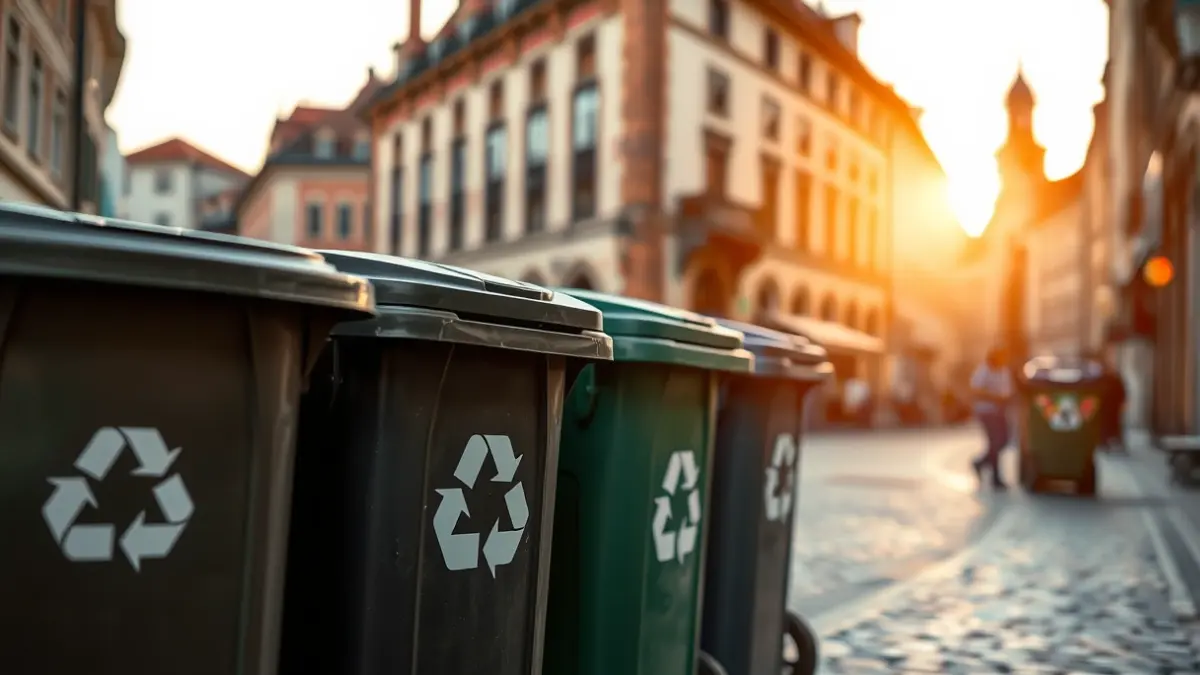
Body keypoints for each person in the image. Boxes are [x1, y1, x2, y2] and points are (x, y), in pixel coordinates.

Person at [970, 347, 1014, 489]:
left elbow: (1007, 391)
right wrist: (994, 398)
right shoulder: (983, 370)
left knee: (1004, 440)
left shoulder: (1004, 371)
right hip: (987, 412)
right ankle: (996, 478)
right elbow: (976, 390)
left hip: (1000, 412)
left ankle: (980, 463)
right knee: (994, 443)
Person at [1098, 356, 1127, 453]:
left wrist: (1122, 403)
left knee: (1114, 425)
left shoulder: (1114, 379)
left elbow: (1122, 392)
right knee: (1106, 426)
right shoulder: (1102, 379)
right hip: (1106, 407)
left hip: (1113, 406)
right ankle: (1105, 443)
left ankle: (1117, 442)